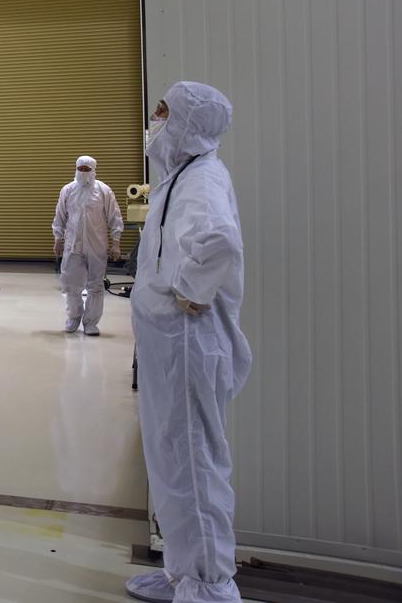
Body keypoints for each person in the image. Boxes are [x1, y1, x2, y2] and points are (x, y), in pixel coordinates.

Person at [125, 82, 251, 603]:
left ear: (189, 123)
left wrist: (192, 290)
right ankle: (184, 572)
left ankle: (211, 587)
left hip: (186, 344)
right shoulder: (181, 177)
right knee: (171, 458)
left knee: (193, 464)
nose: (155, 121)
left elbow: (219, 240)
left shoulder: (201, 179)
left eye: (164, 112)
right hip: (169, 345)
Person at [53, 155, 124, 335]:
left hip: (96, 245)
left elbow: (115, 217)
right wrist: (58, 238)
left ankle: (91, 322)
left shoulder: (103, 191)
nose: (83, 172)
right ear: (76, 169)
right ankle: (73, 318)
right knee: (71, 284)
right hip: (73, 245)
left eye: (87, 169)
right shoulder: (68, 190)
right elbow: (60, 215)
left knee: (96, 284)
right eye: (81, 169)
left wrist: (116, 242)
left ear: (93, 170)